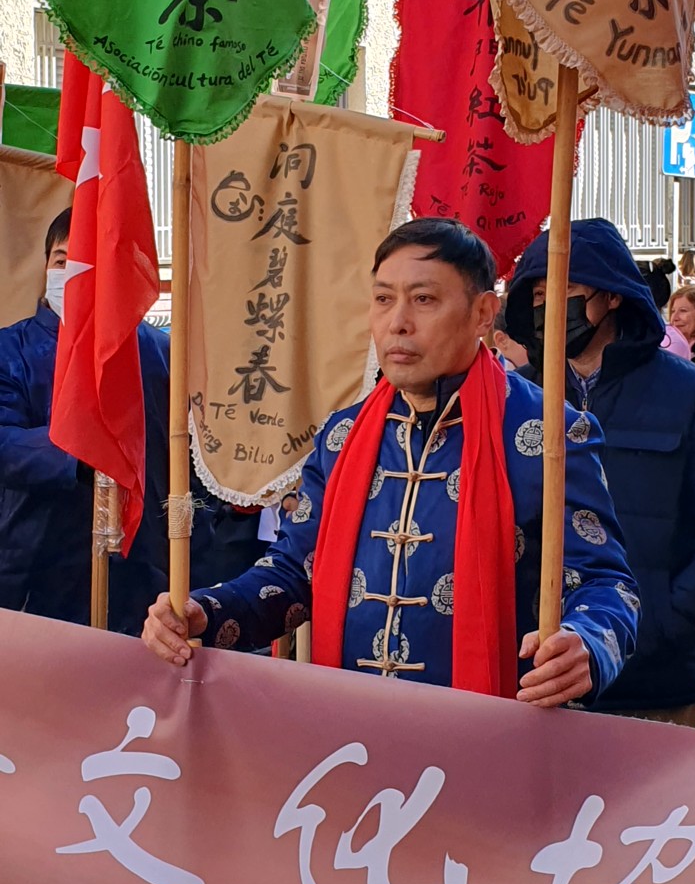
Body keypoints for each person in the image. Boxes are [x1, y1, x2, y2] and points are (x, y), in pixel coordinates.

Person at [144, 219, 639, 711]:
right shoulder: (342, 436)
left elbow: (606, 583)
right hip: (353, 731)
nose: (398, 322)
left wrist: (586, 644)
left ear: (483, 314)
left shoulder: (545, 435)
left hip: (490, 731)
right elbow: (293, 573)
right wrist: (205, 611)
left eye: (423, 299)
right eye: (383, 299)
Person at [506, 216, 695, 728]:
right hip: (531, 680)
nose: (549, 307)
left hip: (656, 686)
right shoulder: (514, 400)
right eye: (537, 296)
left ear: (611, 295)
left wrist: (648, 625)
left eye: (565, 291)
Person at [0, 207, 216, 634]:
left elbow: (193, 456)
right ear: (46, 266)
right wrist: (80, 451)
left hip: (145, 572)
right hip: (35, 566)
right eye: (63, 260)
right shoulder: (11, 348)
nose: (74, 273)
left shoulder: (162, 352)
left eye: (89, 261)